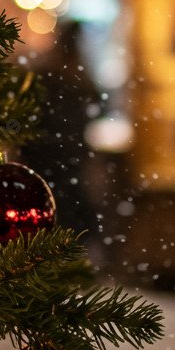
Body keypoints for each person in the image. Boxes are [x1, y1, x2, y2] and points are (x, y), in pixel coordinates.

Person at [25, 21, 104, 234]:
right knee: (69, 209)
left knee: (48, 208)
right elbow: (99, 105)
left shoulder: (47, 74)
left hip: (45, 152)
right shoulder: (78, 77)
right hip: (66, 153)